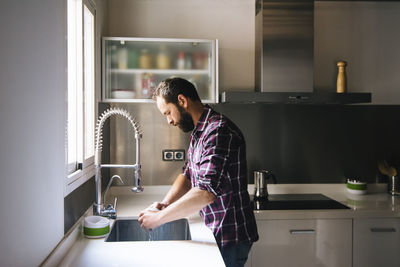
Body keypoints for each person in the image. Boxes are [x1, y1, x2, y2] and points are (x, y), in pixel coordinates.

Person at [138, 77, 258, 267]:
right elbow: (188, 175)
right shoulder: (200, 131)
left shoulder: (218, 131)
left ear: (182, 101)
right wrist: (165, 204)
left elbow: (204, 193)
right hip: (216, 230)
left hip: (230, 236)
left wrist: (158, 219)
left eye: (168, 112)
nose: (169, 120)